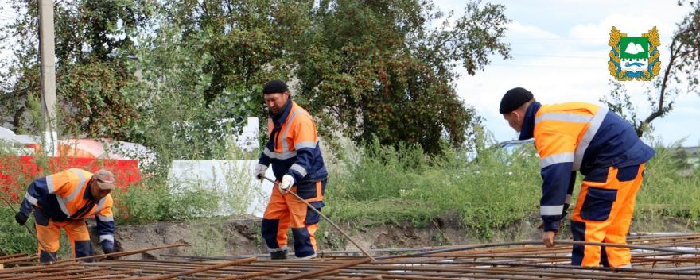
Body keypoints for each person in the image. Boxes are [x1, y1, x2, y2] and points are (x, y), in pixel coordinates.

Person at [499, 87, 654, 268]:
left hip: (613, 164)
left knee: (587, 225)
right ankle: (621, 273)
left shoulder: (546, 128)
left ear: (515, 115)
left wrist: (550, 225)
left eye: (509, 121)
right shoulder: (554, 116)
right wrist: (558, 215)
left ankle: (585, 274)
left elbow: (556, 177)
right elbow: (567, 173)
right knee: (612, 230)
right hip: (631, 164)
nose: (512, 126)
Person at [254, 79, 328, 260]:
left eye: (274, 100)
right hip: (283, 182)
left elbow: (306, 156)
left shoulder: (300, 119)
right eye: (267, 100)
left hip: (306, 181)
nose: (271, 104)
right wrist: (263, 163)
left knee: (302, 230)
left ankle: (308, 269)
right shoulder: (274, 117)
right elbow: (273, 144)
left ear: (286, 95)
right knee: (271, 223)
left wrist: (291, 176)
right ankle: (278, 262)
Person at [14, 168, 117, 263]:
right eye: (101, 190)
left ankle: (83, 273)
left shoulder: (106, 201)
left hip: (74, 218)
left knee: (84, 246)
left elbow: (106, 225)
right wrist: (24, 211)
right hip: (47, 213)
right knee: (49, 249)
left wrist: (108, 247)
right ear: (92, 181)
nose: (102, 194)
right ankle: (47, 272)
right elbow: (36, 186)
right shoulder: (71, 180)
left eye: (107, 191)